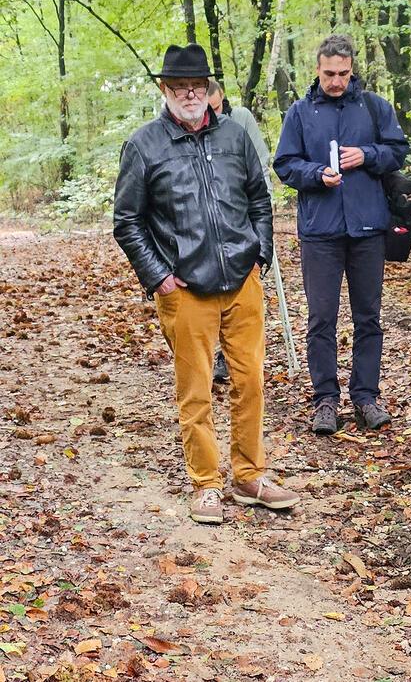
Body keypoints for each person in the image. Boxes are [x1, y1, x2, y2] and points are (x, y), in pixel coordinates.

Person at [112, 44, 299, 524]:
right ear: (165, 89)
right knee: (195, 390)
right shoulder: (144, 145)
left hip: (242, 282)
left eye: (197, 85)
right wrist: (159, 277)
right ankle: (206, 484)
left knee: (250, 381)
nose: (190, 94)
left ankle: (249, 476)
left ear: (209, 88)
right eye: (180, 87)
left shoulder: (234, 136)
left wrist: (260, 253)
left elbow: (259, 199)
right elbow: (127, 222)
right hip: (186, 290)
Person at [274, 34, 409, 435]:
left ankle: (366, 396)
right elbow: (285, 164)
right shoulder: (300, 112)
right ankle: (325, 400)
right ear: (317, 70)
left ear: (352, 70)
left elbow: (398, 151)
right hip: (320, 231)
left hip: (368, 228)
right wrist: (316, 174)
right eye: (329, 74)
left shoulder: (374, 107)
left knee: (369, 317)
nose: (336, 81)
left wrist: (366, 155)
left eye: (343, 74)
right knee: (321, 319)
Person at [206, 78, 272, 385]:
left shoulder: (241, 118)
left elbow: (260, 161)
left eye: (217, 107)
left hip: (243, 220)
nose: (212, 114)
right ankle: (219, 353)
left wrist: (262, 222)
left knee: (243, 297)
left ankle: (236, 356)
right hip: (210, 228)